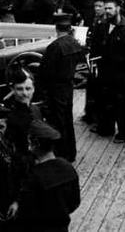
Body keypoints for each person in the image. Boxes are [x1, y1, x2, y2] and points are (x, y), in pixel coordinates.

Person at [12, 120, 81, 231]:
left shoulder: (34, 177)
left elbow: (27, 213)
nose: (28, 146)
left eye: (29, 141)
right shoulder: (67, 167)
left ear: (36, 143)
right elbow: (74, 202)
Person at [37, 13, 85, 162]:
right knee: (67, 119)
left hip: (55, 88)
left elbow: (45, 72)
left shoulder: (54, 47)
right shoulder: (74, 43)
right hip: (67, 87)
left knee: (57, 121)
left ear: (56, 28)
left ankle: (61, 153)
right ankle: (70, 152)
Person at [94, 0, 125, 142]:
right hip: (106, 71)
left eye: (110, 8)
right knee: (106, 100)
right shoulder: (104, 25)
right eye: (105, 8)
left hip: (121, 73)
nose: (107, 11)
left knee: (122, 104)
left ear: (118, 9)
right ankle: (106, 127)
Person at [4, 69, 44, 169]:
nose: (25, 93)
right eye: (19, 89)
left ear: (34, 89)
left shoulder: (36, 110)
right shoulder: (8, 115)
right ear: (12, 89)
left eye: (28, 88)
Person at [82, 0, 107, 125]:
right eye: (95, 6)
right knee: (91, 86)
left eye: (99, 6)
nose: (97, 9)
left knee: (97, 88)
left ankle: (95, 116)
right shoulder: (96, 20)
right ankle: (90, 113)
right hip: (93, 57)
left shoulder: (104, 22)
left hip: (99, 59)